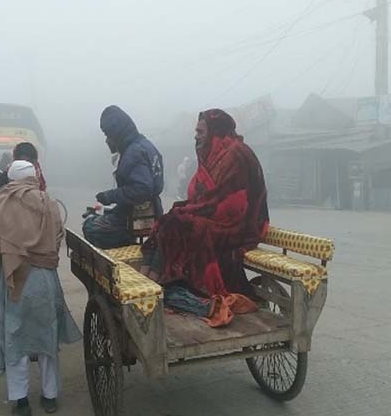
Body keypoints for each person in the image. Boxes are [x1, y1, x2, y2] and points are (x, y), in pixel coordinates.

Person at [0, 160, 81, 416]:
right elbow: (58, 237)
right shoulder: (47, 202)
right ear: (33, 176)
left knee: (14, 339)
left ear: (10, 177)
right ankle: (50, 396)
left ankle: (20, 401)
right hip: (44, 280)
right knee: (47, 336)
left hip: (11, 278)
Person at [141, 109, 269, 305]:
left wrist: (192, 211)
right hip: (216, 217)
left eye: (200, 132)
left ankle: (154, 284)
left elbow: (231, 203)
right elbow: (201, 195)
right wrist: (189, 209)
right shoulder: (212, 153)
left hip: (240, 226)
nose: (196, 136)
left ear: (215, 131)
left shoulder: (236, 154)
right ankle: (147, 282)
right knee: (168, 220)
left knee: (180, 223)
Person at [82, 105, 164, 249]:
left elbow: (142, 188)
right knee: (105, 215)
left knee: (90, 227)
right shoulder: (147, 146)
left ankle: (123, 248)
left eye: (108, 135)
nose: (107, 140)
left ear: (117, 132)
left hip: (131, 217)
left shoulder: (134, 153)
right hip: (155, 211)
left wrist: (110, 196)